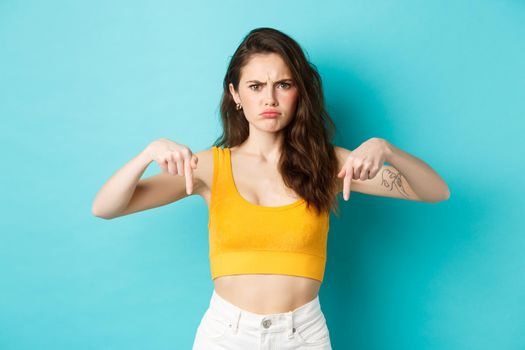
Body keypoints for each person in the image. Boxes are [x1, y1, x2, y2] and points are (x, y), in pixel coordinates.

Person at [92, 27, 450, 349]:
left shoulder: (329, 164)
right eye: (255, 86)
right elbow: (106, 207)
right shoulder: (207, 168)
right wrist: (146, 154)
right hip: (226, 335)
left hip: (303, 336)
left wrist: (387, 149)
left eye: (283, 84)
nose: (270, 99)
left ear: (300, 92)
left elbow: (435, 191)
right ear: (235, 94)